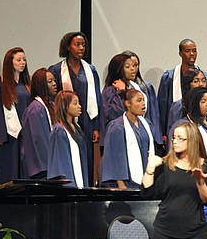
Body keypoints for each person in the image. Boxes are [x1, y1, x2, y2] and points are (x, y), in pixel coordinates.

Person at [48, 32, 102, 186]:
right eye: (77, 44)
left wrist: (96, 126)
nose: (81, 48)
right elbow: (54, 98)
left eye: (83, 45)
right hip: (66, 120)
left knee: (86, 158)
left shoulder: (90, 70)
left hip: (87, 120)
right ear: (68, 47)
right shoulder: (58, 70)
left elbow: (96, 98)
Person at [47, 90, 89, 239]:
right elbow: (58, 161)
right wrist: (65, 186)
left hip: (78, 184)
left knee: (74, 228)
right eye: (75, 103)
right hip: (66, 187)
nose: (79, 106)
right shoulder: (59, 130)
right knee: (62, 227)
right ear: (65, 107)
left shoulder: (77, 128)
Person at [0, 47, 30, 184]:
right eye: (18, 60)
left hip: (24, 136)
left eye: (24, 59)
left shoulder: (26, 86)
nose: (22, 62)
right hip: (8, 139)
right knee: (9, 173)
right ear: (9, 63)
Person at [158, 39, 207, 136]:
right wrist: (164, 134)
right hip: (177, 123)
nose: (192, 54)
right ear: (180, 53)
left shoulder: (206, 78)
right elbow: (163, 108)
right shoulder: (169, 78)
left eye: (194, 50)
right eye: (187, 51)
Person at [101, 89, 155, 189]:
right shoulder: (117, 126)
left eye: (144, 100)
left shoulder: (147, 124)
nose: (143, 104)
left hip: (147, 179)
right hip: (128, 182)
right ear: (128, 103)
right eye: (139, 100)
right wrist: (121, 183)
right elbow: (114, 157)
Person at [122, 50, 163, 149]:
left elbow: (154, 114)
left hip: (146, 131)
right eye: (129, 66)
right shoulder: (116, 88)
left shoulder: (146, 87)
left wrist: (157, 137)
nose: (133, 69)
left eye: (135, 65)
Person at [20, 68, 57, 179]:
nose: (55, 84)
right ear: (41, 85)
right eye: (50, 82)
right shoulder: (35, 110)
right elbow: (39, 140)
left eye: (54, 80)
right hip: (40, 169)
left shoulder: (50, 105)